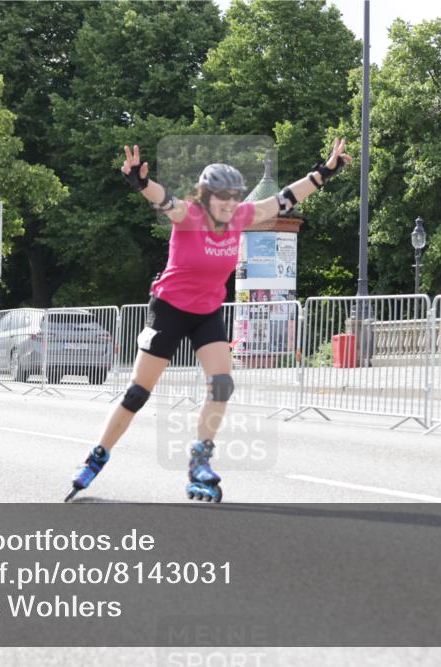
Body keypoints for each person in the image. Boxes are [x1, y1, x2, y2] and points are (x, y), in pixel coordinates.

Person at [64, 138, 352, 502]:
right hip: (169, 310)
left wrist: (325, 172)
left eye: (235, 197)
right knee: (137, 393)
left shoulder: (241, 216)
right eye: (222, 197)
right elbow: (163, 199)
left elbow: (284, 199)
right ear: (205, 196)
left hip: (206, 313)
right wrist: (140, 182)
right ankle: (96, 457)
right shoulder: (189, 215)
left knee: (222, 384)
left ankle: (199, 460)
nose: (230, 204)